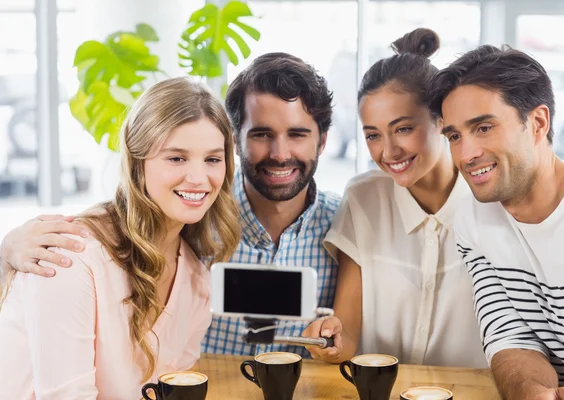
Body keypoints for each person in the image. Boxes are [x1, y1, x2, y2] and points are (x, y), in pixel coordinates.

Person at [0, 52, 340, 358]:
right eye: (262, 134)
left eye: (297, 134)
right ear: (235, 141)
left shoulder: (343, 226)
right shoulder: (195, 216)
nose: (280, 154)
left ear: (322, 141)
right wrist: (8, 251)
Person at [0, 77, 241, 398]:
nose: (199, 178)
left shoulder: (196, 280)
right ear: (138, 164)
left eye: (212, 159)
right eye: (176, 158)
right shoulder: (71, 255)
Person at [302, 28, 486, 368]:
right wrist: (330, 342)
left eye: (403, 128)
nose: (388, 151)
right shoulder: (363, 198)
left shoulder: (490, 202)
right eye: (373, 135)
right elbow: (348, 335)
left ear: (441, 120)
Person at [427, 44, 564, 400]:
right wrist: (533, 393)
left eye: (484, 127)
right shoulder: (473, 219)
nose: (466, 154)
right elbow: (509, 335)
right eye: (455, 136)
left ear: (537, 123)